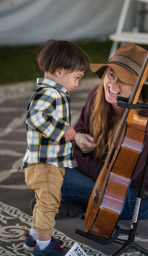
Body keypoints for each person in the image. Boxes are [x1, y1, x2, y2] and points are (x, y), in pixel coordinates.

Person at [60, 43, 148, 221]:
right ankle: (79, 205)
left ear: (137, 87)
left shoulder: (146, 120)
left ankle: (70, 202)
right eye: (111, 75)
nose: (113, 85)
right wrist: (79, 136)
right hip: (102, 175)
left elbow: (117, 179)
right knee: (50, 167)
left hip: (139, 198)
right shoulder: (97, 95)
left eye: (124, 81)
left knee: (55, 175)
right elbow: (81, 125)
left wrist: (69, 155)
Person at [22, 39, 89, 256]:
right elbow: (34, 116)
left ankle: (34, 238)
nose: (77, 84)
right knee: (49, 205)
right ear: (59, 71)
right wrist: (62, 129)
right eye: (76, 77)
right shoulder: (50, 93)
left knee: (44, 203)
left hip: (48, 162)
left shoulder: (53, 92)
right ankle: (43, 248)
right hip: (46, 164)